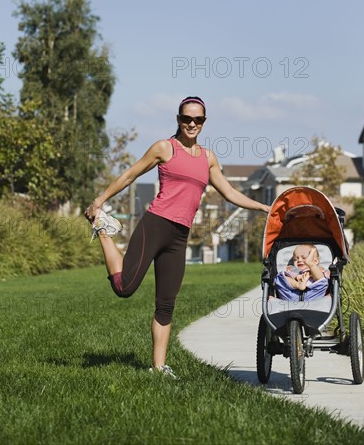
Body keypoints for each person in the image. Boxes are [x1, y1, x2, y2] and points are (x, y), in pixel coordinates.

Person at [85, 96, 270, 378]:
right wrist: (100, 201)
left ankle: (158, 367)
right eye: (187, 118)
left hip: (179, 235)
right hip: (155, 225)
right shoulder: (164, 148)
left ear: (204, 122)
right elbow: (129, 175)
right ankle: (102, 230)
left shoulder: (208, 159)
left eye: (198, 120)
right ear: (178, 119)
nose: (192, 124)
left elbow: (230, 193)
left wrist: (263, 206)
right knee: (124, 288)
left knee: (166, 302)